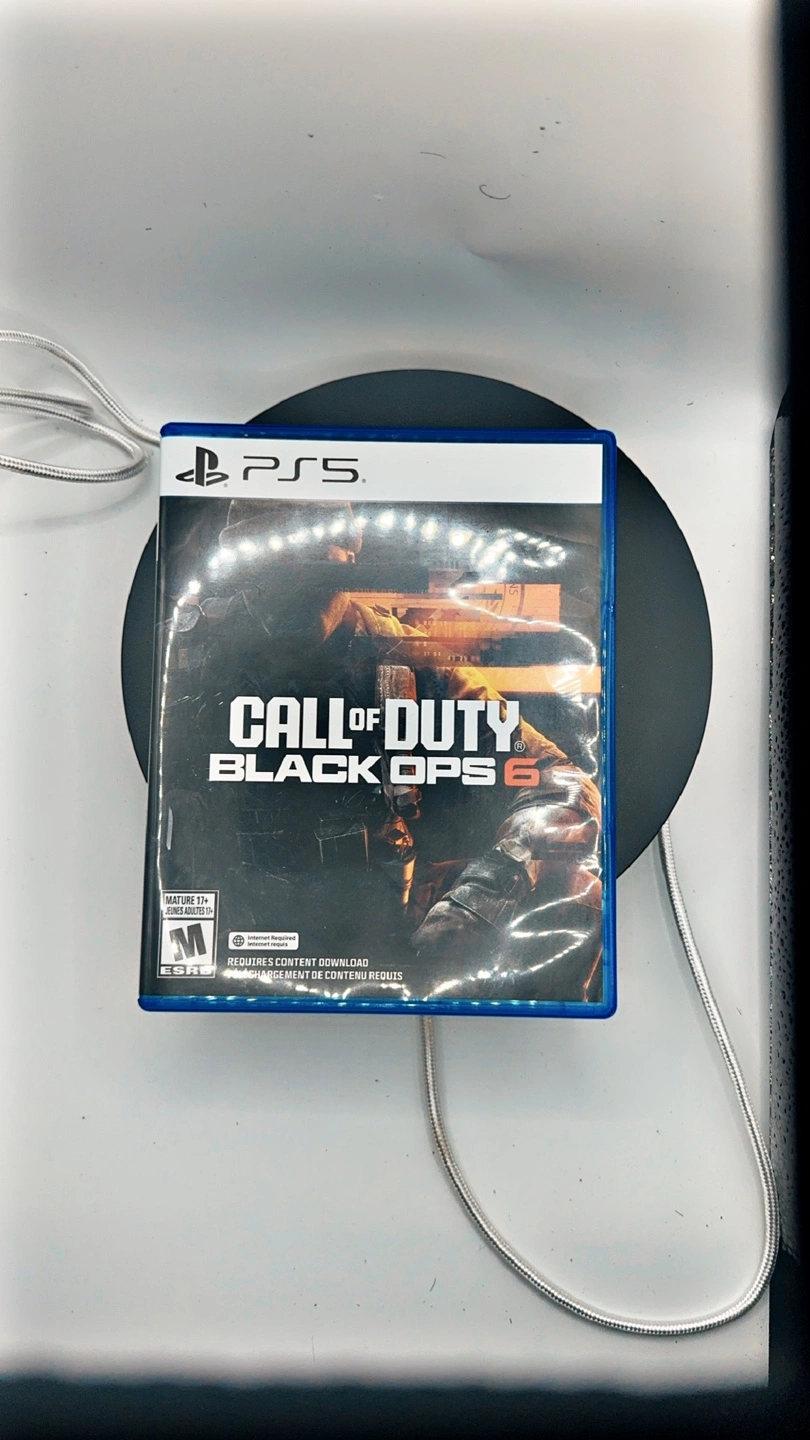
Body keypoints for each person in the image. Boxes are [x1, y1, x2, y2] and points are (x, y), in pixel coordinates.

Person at [159, 499, 603, 1002]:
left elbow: (563, 783)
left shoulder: (411, 661)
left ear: (351, 554)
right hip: (237, 919)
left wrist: (485, 893)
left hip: (382, 914)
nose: (292, 587)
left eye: (311, 567)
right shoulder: (195, 658)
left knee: (579, 893)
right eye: (274, 570)